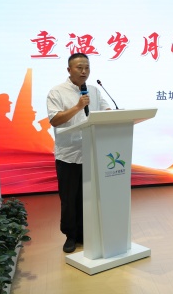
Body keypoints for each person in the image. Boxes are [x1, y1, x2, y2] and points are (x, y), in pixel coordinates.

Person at [46, 53, 111, 253]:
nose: (84, 71)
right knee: (69, 199)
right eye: (79, 68)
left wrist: (114, 115)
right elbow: (54, 120)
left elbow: (105, 111)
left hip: (91, 152)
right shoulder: (57, 92)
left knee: (88, 197)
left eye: (87, 68)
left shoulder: (94, 90)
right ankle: (71, 236)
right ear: (69, 70)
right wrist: (78, 106)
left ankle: (85, 233)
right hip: (69, 155)